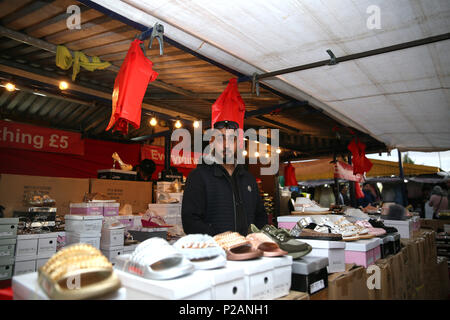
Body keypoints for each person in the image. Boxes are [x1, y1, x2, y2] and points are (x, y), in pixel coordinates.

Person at [181, 121, 267, 236]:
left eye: (232, 139)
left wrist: (255, 239)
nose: (226, 145)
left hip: (247, 251)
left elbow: (261, 216)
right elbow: (190, 222)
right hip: (214, 251)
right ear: (212, 142)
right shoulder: (198, 176)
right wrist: (219, 239)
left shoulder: (248, 179)